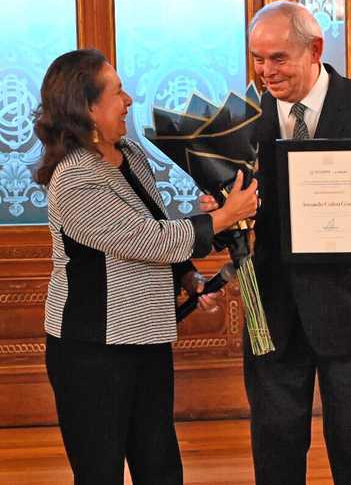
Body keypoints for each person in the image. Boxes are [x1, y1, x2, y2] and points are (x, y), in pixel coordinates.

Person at [201, 0, 351, 485]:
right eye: (258, 59)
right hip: (274, 314)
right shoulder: (241, 120)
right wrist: (217, 213)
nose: (265, 72)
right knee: (275, 458)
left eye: (278, 58)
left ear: (315, 50)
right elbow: (232, 216)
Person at [34, 48, 258, 485]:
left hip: (147, 337)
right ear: (88, 108)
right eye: (117, 92)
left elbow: (153, 225)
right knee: (100, 473)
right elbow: (145, 241)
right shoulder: (75, 177)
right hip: (91, 349)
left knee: (160, 468)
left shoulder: (130, 155)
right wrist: (223, 217)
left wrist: (189, 276)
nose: (130, 99)